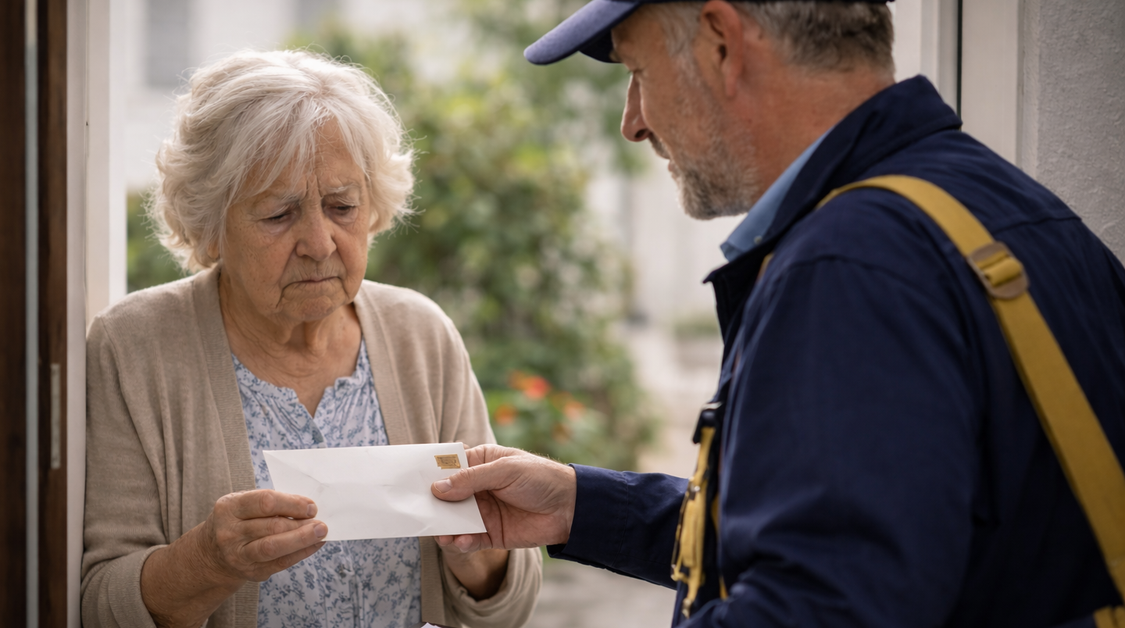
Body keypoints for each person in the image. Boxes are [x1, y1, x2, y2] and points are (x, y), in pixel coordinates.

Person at [431, 1, 1125, 627]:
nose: (633, 122)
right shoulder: (1010, 211)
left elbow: (819, 604)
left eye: (638, 73)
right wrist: (581, 506)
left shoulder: (850, 267)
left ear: (721, 43)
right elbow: (875, 535)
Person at [81, 49, 542, 628]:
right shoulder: (134, 347)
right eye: (279, 214)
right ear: (209, 225)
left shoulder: (420, 335)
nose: (320, 243)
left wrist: (477, 548)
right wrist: (208, 562)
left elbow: (509, 605)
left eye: (342, 206)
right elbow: (99, 605)